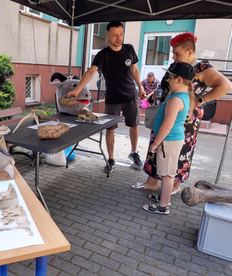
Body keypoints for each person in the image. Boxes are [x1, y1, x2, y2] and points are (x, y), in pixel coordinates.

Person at [132, 32, 232, 193]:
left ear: (190, 52)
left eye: (177, 53)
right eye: (173, 53)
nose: (174, 57)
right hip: (165, 113)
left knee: (179, 153)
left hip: (185, 121)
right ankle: (151, 182)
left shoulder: (203, 68)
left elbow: (226, 85)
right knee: (157, 145)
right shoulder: (176, 65)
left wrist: (201, 100)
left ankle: (173, 187)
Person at [68, 21, 146, 173]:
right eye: (115, 35)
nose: (119, 38)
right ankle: (111, 159)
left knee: (134, 126)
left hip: (130, 95)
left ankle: (134, 152)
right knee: (110, 129)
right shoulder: (102, 55)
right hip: (113, 98)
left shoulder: (129, 49)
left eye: (121, 34)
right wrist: (77, 90)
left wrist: (141, 86)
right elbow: (90, 72)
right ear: (108, 36)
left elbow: (134, 69)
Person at [142, 62, 195, 215]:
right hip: (170, 140)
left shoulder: (176, 100)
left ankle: (163, 205)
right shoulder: (179, 95)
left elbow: (167, 126)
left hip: (169, 140)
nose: (167, 81)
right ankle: (163, 198)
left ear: (179, 80)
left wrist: (155, 143)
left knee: (167, 174)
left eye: (170, 78)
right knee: (166, 171)